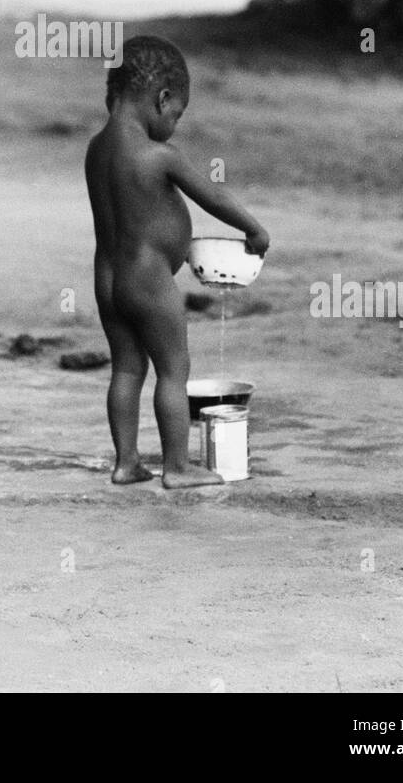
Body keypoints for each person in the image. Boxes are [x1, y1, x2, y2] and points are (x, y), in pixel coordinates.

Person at [84, 36, 269, 488]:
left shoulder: (96, 150)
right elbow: (214, 197)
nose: (174, 126)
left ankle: (126, 464)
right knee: (173, 369)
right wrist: (254, 230)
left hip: (108, 278)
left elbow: (133, 211)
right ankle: (177, 468)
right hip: (148, 281)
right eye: (176, 115)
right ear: (162, 98)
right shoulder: (157, 155)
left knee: (126, 367)